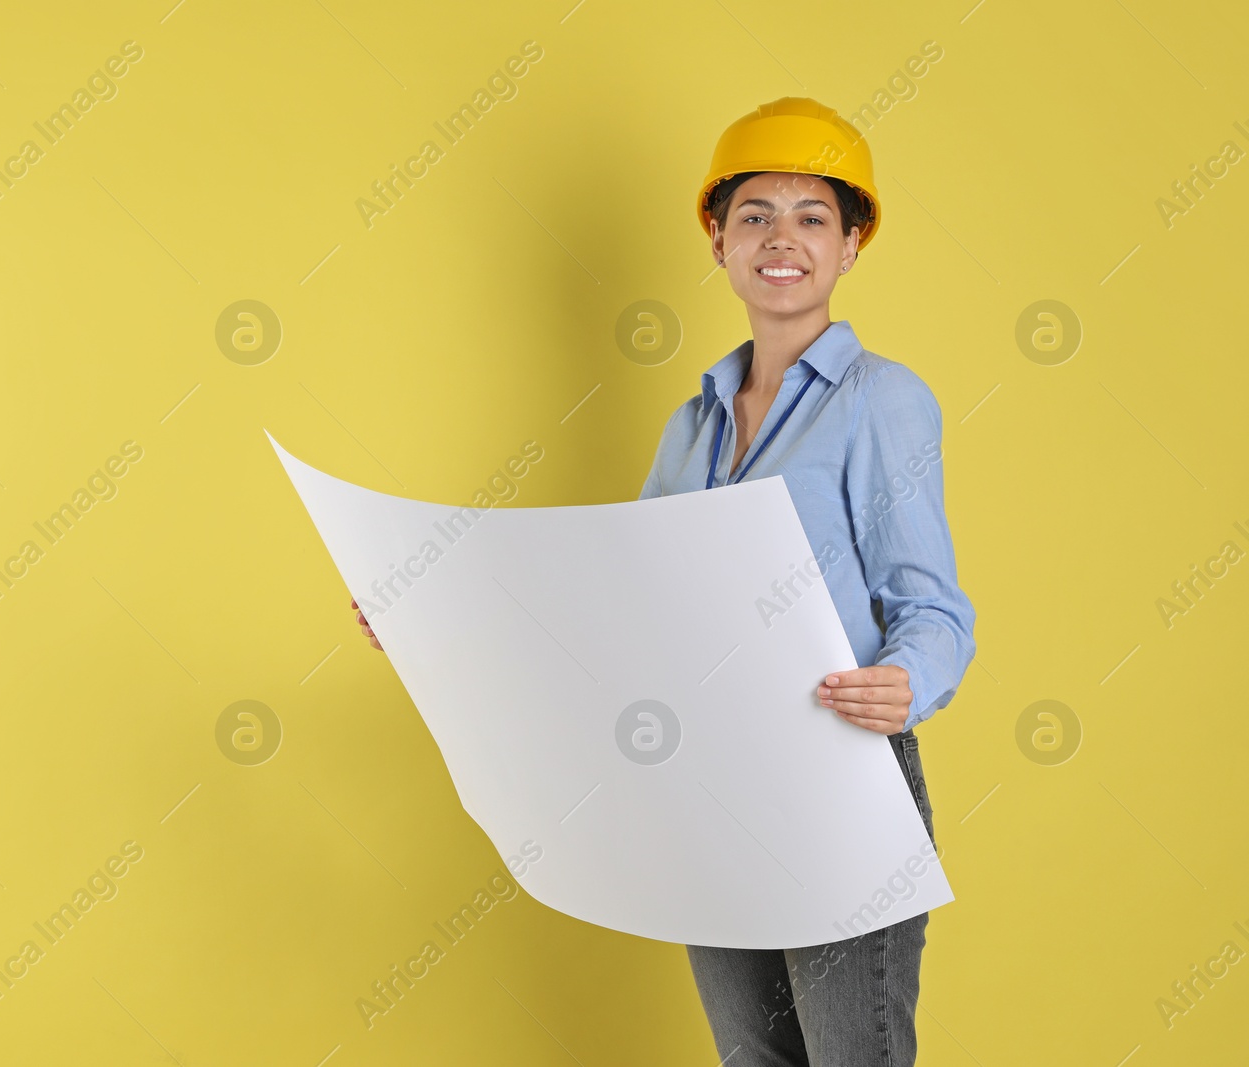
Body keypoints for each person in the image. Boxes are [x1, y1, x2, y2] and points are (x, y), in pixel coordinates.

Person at [352, 95, 976, 1067]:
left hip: (836, 780)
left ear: (851, 244)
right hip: (706, 783)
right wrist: (440, 617)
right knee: (751, 1058)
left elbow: (929, 603)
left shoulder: (880, 401)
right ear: (718, 241)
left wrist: (910, 679)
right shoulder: (690, 426)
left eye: (812, 216)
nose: (781, 239)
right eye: (754, 216)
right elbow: (616, 604)